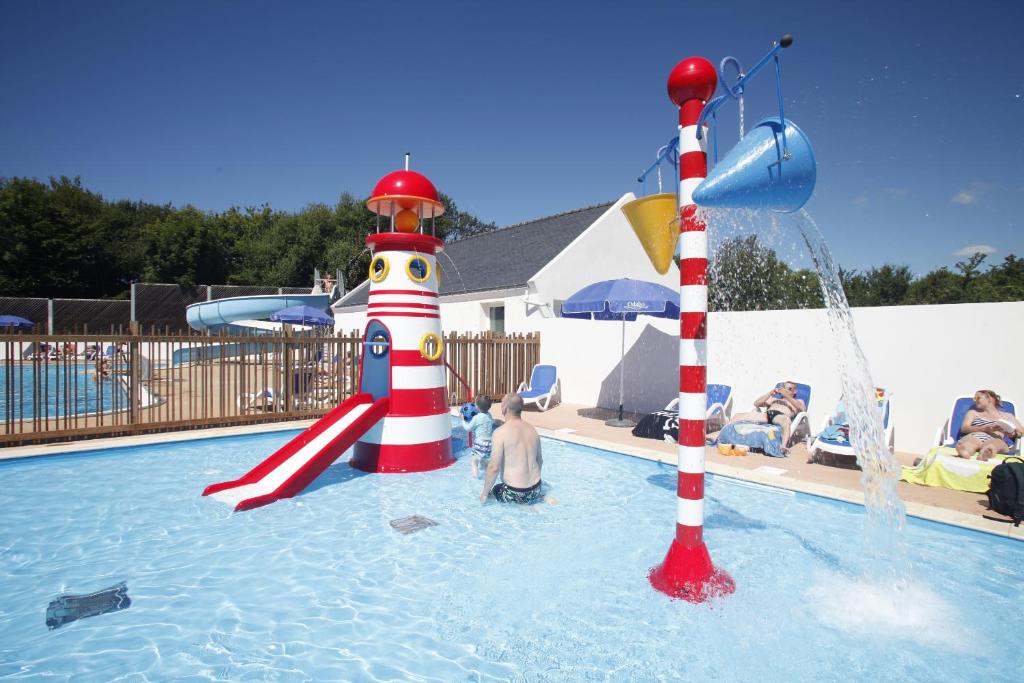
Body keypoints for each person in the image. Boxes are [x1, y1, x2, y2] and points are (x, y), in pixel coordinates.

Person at [480, 393, 550, 505]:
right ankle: (541, 498)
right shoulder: (532, 429)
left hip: (516, 494)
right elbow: (539, 461)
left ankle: (525, 507)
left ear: (505, 408)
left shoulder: (500, 433)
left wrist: (484, 493)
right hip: (536, 489)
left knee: (494, 491)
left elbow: (494, 468)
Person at [725, 381, 806, 454]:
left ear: (794, 391)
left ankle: (783, 446)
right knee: (738, 415)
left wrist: (787, 396)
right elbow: (756, 403)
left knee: (786, 420)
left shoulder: (798, 401)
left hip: (780, 416)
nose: (786, 390)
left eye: (789, 388)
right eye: (784, 388)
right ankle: (721, 433)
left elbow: (802, 408)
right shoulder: (774, 399)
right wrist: (769, 393)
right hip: (767, 415)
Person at [955, 389, 1023, 461]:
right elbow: (964, 428)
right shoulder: (973, 413)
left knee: (994, 445)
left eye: (978, 398)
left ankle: (986, 453)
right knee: (970, 442)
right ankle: (965, 451)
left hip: (996, 438)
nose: (975, 401)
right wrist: (985, 428)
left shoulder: (1007, 416)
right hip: (976, 435)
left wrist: (1014, 433)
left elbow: (1021, 432)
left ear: (989, 398)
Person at [463, 395, 495, 478]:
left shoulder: (476, 418)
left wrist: (462, 420)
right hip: (489, 445)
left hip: (479, 443)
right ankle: (489, 476)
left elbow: (468, 428)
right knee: (484, 464)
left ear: (476, 407)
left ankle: (475, 478)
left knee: (474, 462)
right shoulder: (489, 415)